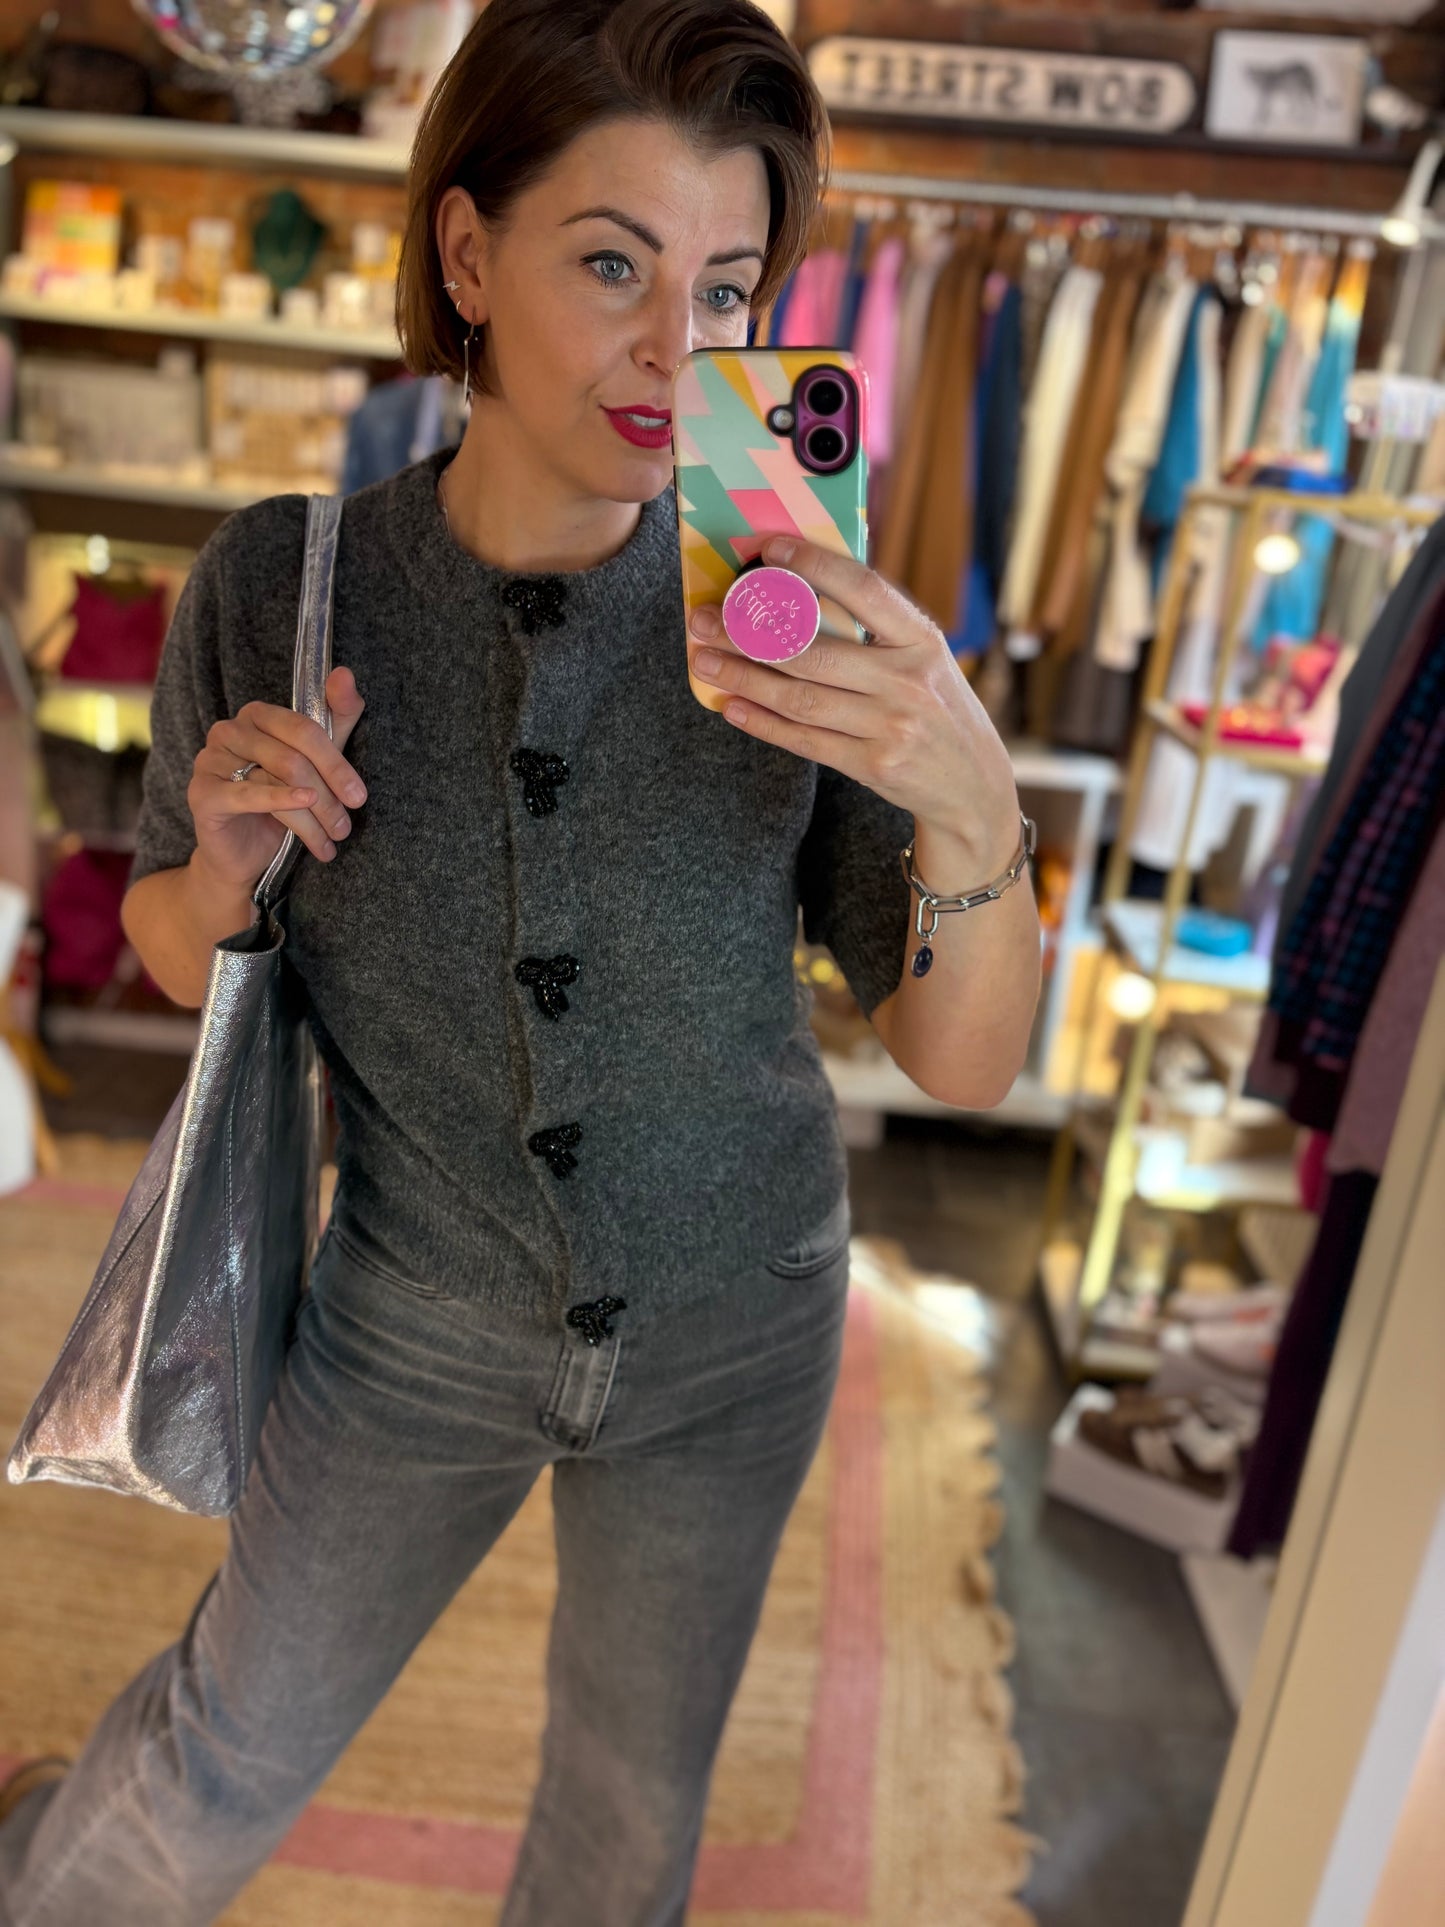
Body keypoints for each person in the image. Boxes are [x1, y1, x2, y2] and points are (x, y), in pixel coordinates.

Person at [0, 2, 1039, 1920]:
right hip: (416, 1312)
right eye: (611, 266)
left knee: (627, 1817)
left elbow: (962, 1059)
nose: (676, 351)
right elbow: (166, 945)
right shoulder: (279, 578)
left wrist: (967, 805)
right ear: (465, 255)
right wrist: (221, 868)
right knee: (227, 1750)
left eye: (726, 288)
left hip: (740, 1325)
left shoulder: (793, 614)